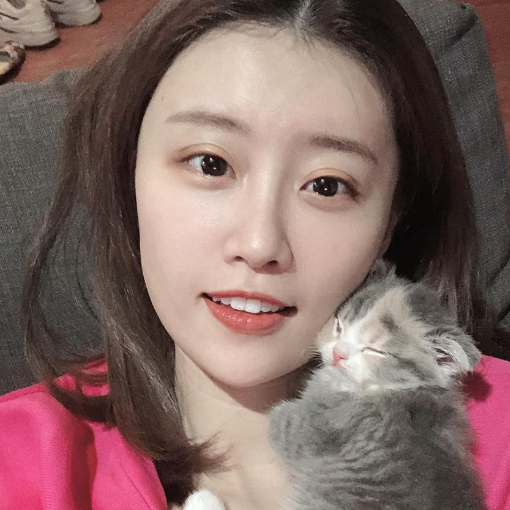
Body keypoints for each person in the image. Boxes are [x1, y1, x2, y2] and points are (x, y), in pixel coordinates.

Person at [1, 0, 509, 509]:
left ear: (390, 222)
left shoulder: (496, 437)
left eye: (327, 185)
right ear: (128, 174)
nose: (260, 244)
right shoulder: (22, 462)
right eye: (210, 163)